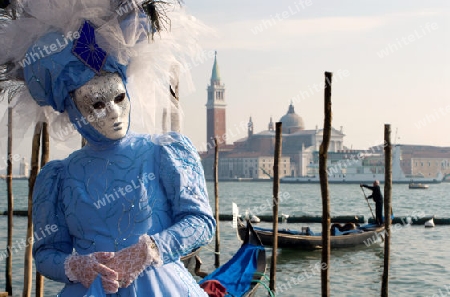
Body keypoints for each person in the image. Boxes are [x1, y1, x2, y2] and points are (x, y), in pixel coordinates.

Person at [0, 1, 215, 296]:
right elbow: (47, 253)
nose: (113, 112)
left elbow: (200, 221)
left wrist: (150, 249)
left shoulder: (162, 152)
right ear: (73, 109)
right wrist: (78, 267)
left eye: (118, 97)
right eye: (96, 104)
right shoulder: (59, 177)